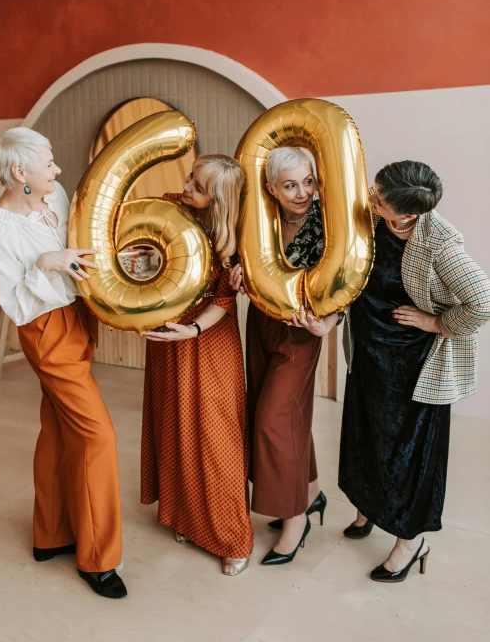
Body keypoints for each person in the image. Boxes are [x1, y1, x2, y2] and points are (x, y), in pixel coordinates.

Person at [0, 127, 126, 599]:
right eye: (48, 163)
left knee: (60, 426)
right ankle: (99, 560)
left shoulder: (57, 195)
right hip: (45, 330)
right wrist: (46, 262)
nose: (58, 170)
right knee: (97, 436)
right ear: (20, 172)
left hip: (79, 318)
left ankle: (52, 534)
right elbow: (17, 307)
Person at [339, 160, 490, 582]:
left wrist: (436, 323)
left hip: (411, 368)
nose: (369, 198)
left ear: (406, 214)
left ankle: (411, 542)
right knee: (364, 434)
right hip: (369, 354)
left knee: (407, 453)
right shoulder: (374, 218)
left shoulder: (440, 244)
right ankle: (368, 507)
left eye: (378, 197)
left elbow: (483, 301)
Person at [141, 154, 254, 576]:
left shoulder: (236, 237)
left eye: (199, 186)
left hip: (208, 341)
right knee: (173, 427)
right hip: (168, 335)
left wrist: (193, 331)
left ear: (220, 200)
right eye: (191, 178)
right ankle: (185, 517)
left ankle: (231, 537)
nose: (188, 187)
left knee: (215, 436)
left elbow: (225, 301)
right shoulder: (170, 207)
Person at [230, 147, 342, 566]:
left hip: (301, 330)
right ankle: (311, 493)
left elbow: (351, 272)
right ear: (271, 188)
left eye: (308, 182)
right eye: (291, 185)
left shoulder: (329, 221)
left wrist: (331, 323)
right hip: (260, 323)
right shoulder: (261, 219)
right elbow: (244, 258)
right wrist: (238, 269)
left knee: (273, 419)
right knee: (283, 413)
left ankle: (295, 519)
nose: (302, 193)